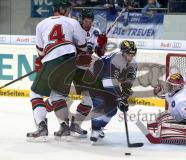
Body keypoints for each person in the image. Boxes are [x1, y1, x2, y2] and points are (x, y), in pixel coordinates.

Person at [26, 0, 83, 142]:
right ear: (62, 9)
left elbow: (40, 51)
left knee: (35, 93)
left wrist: (40, 61)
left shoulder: (41, 24)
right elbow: (82, 46)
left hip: (53, 59)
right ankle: (64, 127)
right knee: (58, 96)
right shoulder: (72, 22)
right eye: (67, 8)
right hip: (71, 61)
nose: (69, 11)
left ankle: (42, 127)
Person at [84, 40, 137, 142]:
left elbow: (129, 80)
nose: (131, 56)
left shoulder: (133, 63)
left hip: (105, 82)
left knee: (113, 109)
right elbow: (108, 82)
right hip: (93, 81)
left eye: (133, 54)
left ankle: (98, 128)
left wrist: (124, 95)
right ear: (123, 52)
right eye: (128, 54)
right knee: (102, 105)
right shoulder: (116, 60)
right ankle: (95, 129)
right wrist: (120, 98)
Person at [69, 9, 108, 137]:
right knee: (87, 100)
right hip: (74, 69)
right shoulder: (74, 30)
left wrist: (102, 43)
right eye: (86, 21)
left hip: (86, 70)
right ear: (81, 20)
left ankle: (76, 125)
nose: (88, 23)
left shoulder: (95, 31)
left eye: (90, 21)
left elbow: (100, 53)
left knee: (88, 101)